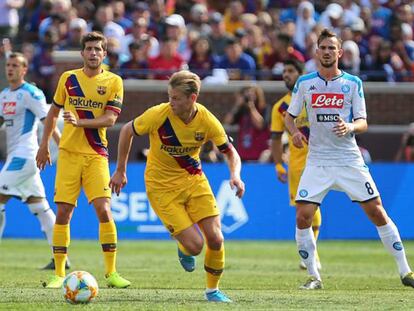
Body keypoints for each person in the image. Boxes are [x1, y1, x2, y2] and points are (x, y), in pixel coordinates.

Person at [284, 28, 414, 290]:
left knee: (377, 212)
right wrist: (295, 132)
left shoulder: (353, 83)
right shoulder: (305, 83)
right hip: (318, 159)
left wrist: (351, 127)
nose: (327, 52)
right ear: (317, 51)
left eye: (332, 48)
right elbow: (289, 116)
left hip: (348, 158)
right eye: (323, 47)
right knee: (302, 216)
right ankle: (313, 277)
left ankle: (406, 272)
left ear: (340, 53)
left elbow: (363, 121)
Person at [109, 70, 245, 302]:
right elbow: (126, 131)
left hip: (194, 181)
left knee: (216, 239)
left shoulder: (206, 120)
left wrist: (235, 175)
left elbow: (230, 151)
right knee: (195, 246)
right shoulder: (159, 114)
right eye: (169, 96)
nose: (170, 102)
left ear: (192, 99)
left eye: (176, 98)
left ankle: (213, 291)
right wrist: (120, 170)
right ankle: (184, 247)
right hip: (161, 187)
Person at [36, 31, 130, 289]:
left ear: (104, 53)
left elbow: (111, 119)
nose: (93, 53)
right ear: (82, 53)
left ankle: (111, 273)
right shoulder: (68, 79)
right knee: (64, 213)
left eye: (98, 49)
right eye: (89, 49)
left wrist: (81, 122)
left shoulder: (114, 81)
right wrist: (44, 146)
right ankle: (57, 273)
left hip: (96, 154)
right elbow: (53, 112)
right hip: (67, 155)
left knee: (104, 209)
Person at [0, 52, 63, 269]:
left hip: (25, 155)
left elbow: (49, 120)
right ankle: (61, 256)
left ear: (24, 70)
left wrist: (61, 145)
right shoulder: (5, 94)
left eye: (15, 65)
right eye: (8, 65)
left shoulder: (31, 93)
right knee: (40, 207)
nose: (11, 69)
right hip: (16, 157)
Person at [270, 59, 322, 271]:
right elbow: (275, 138)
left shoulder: (314, 97)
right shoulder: (280, 107)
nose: (286, 75)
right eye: (284, 71)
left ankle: (311, 253)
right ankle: (311, 253)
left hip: (323, 159)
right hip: (298, 164)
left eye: (290, 71)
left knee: (313, 206)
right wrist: (278, 165)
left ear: (301, 74)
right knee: (305, 208)